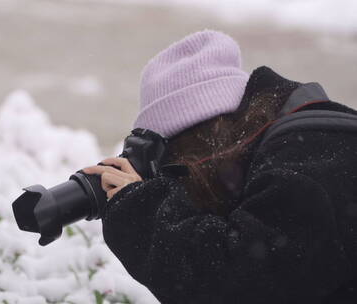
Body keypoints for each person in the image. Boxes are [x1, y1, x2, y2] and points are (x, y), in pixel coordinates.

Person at [82, 30, 357, 304]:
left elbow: (238, 280)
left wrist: (140, 211)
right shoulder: (305, 144)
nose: (185, 183)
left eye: (181, 165)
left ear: (206, 144)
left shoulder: (312, 158)